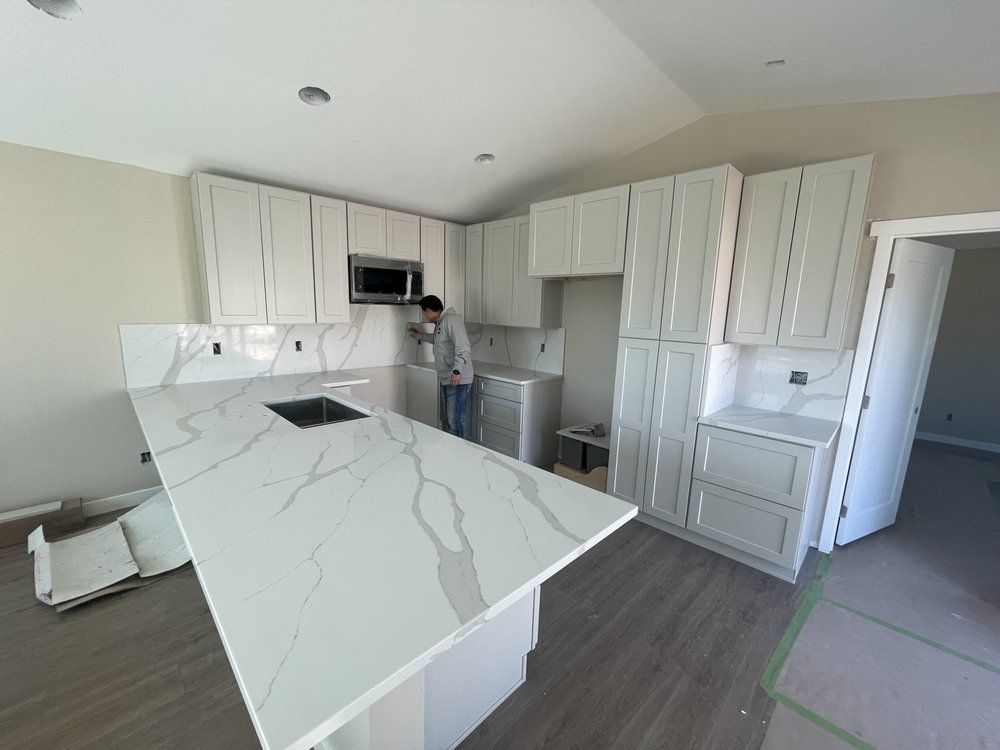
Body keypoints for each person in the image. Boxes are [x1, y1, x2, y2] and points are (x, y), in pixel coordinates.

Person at [408, 295, 474, 439]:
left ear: (429, 310)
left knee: (455, 421)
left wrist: (457, 371)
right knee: (448, 420)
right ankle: (450, 455)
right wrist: (418, 335)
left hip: (457, 379)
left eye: (424, 312)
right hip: (447, 378)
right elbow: (438, 341)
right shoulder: (441, 322)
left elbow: (463, 347)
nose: (424, 316)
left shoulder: (451, 320)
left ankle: (458, 457)